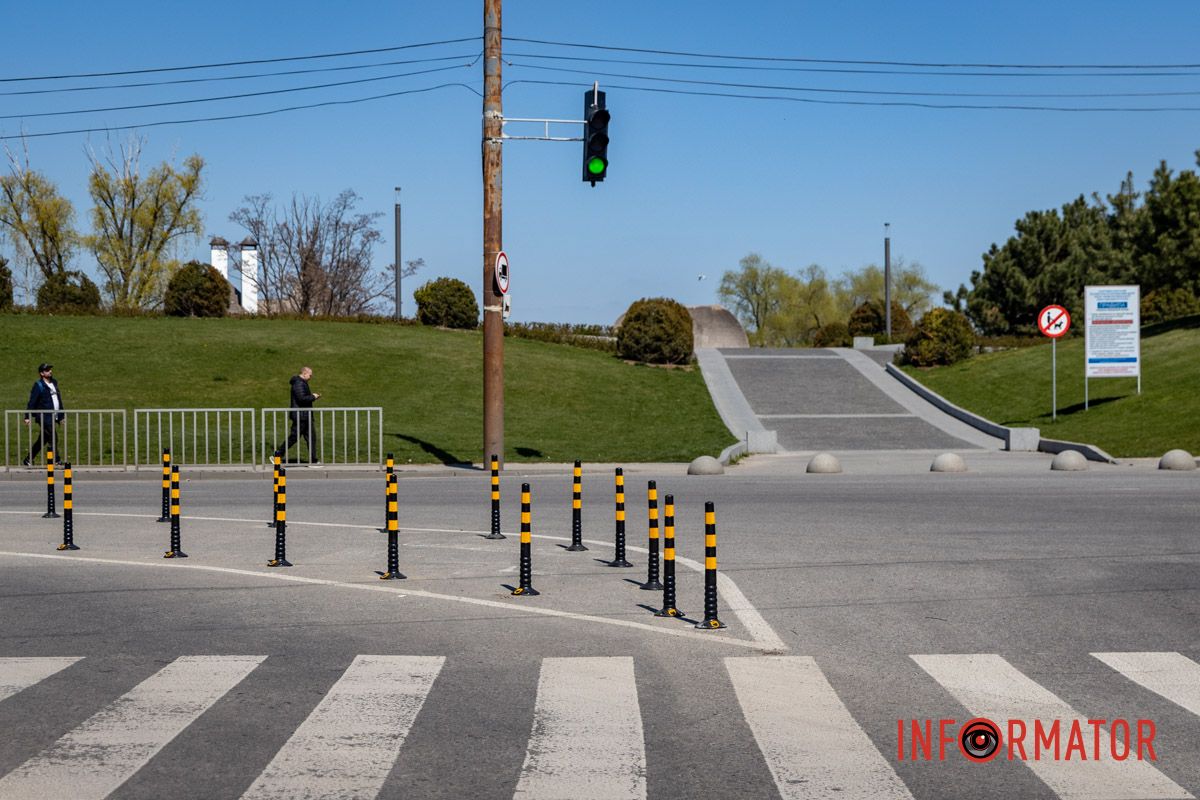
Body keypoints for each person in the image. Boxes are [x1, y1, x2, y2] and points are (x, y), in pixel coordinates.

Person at [273, 366, 321, 466]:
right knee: (294, 437)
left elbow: (302, 397)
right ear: (304, 373)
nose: (311, 377)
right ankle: (277, 455)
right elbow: (301, 398)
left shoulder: (301, 382)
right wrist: (313, 397)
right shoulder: (298, 383)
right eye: (310, 375)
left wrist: (312, 396)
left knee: (311, 438)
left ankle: (313, 460)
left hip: (304, 415)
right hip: (301, 416)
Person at [24, 363, 65, 467]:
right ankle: (56, 460)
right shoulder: (39, 385)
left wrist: (61, 416)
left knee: (43, 439)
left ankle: (28, 459)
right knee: (53, 437)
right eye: (47, 370)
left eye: (50, 369)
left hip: (53, 416)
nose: (50, 371)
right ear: (42, 373)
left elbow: (58, 400)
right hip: (44, 417)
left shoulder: (54, 383)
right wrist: (27, 416)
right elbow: (32, 401)